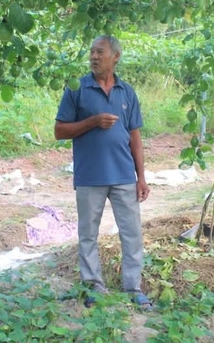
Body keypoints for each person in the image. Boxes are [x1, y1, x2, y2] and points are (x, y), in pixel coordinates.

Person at [54, 35, 152, 309]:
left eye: (100, 52)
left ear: (115, 57)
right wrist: (93, 122)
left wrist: (141, 176)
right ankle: (93, 288)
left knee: (131, 233)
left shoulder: (126, 92)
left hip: (123, 175)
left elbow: (135, 136)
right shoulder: (77, 88)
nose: (94, 57)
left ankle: (133, 288)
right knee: (88, 234)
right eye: (92, 52)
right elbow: (60, 131)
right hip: (90, 176)